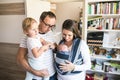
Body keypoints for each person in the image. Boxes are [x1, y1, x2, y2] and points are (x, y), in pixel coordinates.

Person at [16, 11, 57, 80]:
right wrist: (35, 72)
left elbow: (55, 49)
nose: (49, 28)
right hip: (37, 76)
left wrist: (54, 47)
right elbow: (19, 59)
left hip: (52, 74)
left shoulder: (50, 33)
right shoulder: (29, 37)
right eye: (47, 25)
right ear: (40, 21)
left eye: (52, 26)